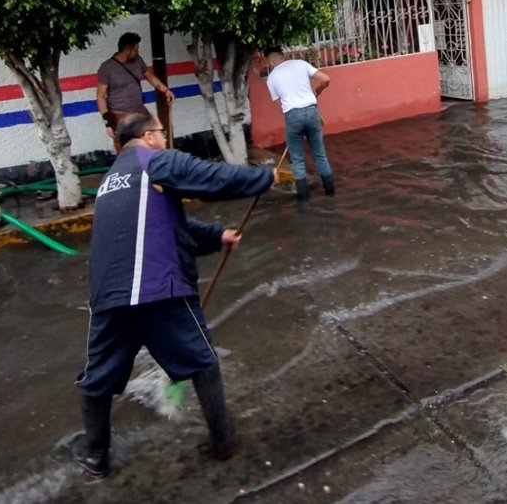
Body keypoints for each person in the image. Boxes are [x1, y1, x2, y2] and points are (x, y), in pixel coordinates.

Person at [73, 113, 277, 478]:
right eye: (163, 134)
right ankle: (224, 442)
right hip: (157, 288)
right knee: (202, 362)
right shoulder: (153, 160)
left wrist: (216, 237)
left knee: (97, 379)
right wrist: (262, 176)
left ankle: (95, 458)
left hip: (108, 299)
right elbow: (208, 177)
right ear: (149, 136)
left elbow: (164, 227)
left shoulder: (110, 181)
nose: (166, 140)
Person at [264, 47, 333, 200]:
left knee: (298, 160)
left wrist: (295, 123)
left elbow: (280, 105)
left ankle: (304, 201)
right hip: (312, 111)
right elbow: (325, 79)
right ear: (282, 56)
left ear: (271, 61)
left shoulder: (271, 78)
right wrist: (318, 89)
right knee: (320, 155)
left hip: (292, 116)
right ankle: (330, 193)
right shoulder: (300, 64)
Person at [96, 32, 174, 149]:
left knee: (153, 135)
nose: (138, 52)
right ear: (128, 50)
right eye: (136, 50)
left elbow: (149, 76)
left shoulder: (137, 60)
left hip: (139, 109)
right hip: (119, 114)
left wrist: (165, 90)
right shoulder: (106, 68)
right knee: (126, 147)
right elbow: (100, 97)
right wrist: (108, 123)